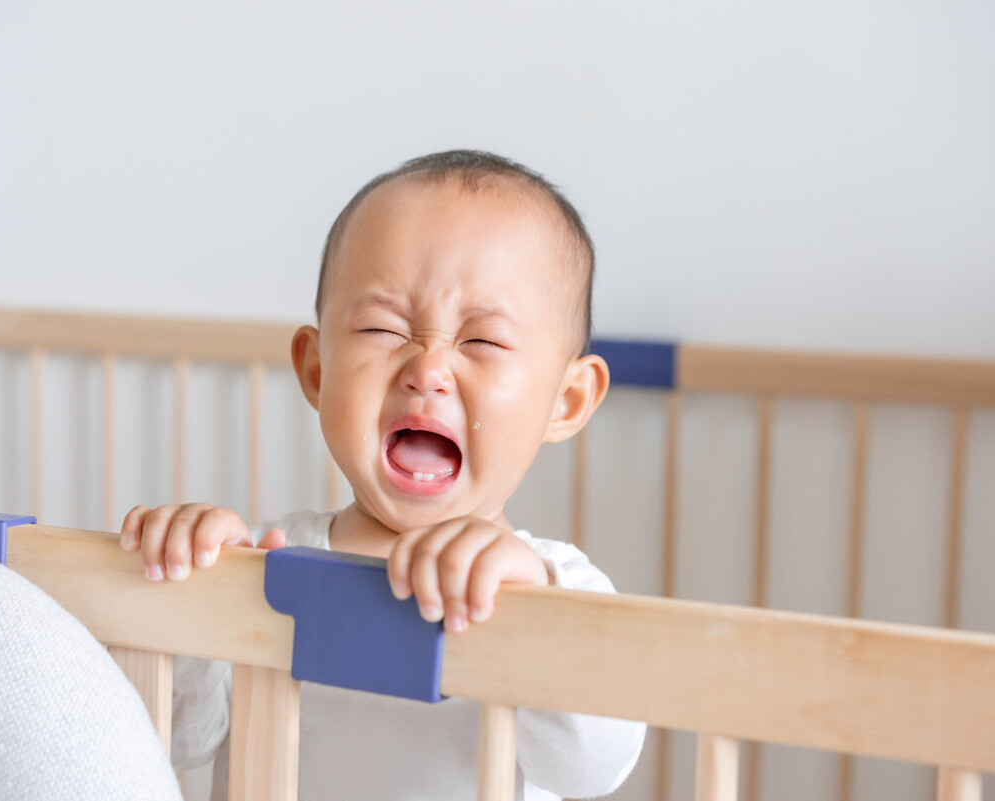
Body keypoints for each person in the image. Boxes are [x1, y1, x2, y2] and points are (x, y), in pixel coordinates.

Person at [120, 150, 646, 800]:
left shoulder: (561, 586)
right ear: (316, 370)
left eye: (482, 341)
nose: (427, 368)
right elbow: (172, 736)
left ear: (566, 400)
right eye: (380, 327)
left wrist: (535, 611)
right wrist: (188, 592)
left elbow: (591, 768)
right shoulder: (262, 567)